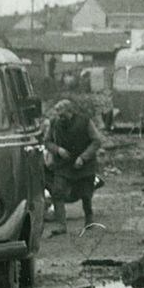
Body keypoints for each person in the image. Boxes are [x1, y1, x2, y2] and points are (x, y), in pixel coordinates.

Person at [44, 97, 104, 234]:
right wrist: (58, 150)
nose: (60, 118)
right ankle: (61, 226)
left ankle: (89, 220)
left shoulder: (85, 122)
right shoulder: (54, 124)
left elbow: (96, 141)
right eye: (58, 115)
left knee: (86, 194)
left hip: (84, 164)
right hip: (63, 164)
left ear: (70, 111)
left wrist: (83, 157)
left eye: (63, 115)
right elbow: (47, 142)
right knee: (57, 192)